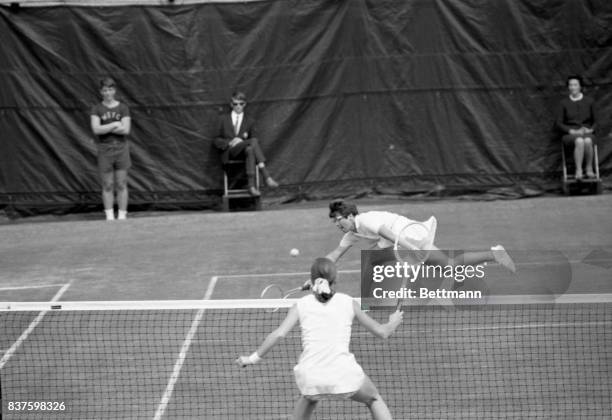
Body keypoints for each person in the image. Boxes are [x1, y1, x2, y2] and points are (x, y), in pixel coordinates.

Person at [236, 257, 403, 420]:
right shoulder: (348, 302)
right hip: (344, 375)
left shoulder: (301, 305)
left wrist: (251, 359)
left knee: (310, 397)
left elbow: (279, 334)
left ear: (312, 279)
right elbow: (383, 332)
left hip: (311, 377)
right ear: (335, 279)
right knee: (373, 399)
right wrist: (393, 322)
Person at [325, 200, 516, 285]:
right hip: (407, 239)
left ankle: (375, 299)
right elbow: (335, 254)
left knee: (375, 259)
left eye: (339, 219)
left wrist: (411, 248)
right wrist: (319, 273)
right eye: (333, 221)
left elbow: (387, 233)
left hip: (409, 235)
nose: (336, 224)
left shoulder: (366, 220)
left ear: (350, 215)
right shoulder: (352, 233)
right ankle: (494, 254)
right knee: (450, 265)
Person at [214, 91, 278, 197]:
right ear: (231, 104)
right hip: (229, 152)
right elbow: (215, 140)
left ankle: (251, 186)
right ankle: (266, 176)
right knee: (253, 142)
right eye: (235, 104)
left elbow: (254, 140)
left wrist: (241, 142)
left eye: (241, 104)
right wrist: (230, 142)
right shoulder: (223, 119)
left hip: (244, 152)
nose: (238, 106)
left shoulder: (250, 121)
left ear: (245, 104)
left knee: (251, 148)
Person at [90, 77, 131, 221]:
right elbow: (96, 130)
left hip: (121, 148)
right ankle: (109, 216)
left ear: (114, 90)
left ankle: (122, 215)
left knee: (121, 184)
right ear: (101, 92)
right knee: (107, 184)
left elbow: (125, 130)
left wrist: (105, 127)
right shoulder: (96, 108)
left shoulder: (123, 107)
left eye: (110, 89)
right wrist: (114, 124)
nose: (108, 93)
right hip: (104, 149)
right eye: (105, 90)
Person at [555, 75, 597, 180]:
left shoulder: (590, 101)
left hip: (586, 132)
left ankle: (589, 169)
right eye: (570, 85)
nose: (573, 87)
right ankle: (578, 170)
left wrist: (590, 129)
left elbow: (596, 121)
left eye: (575, 85)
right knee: (579, 141)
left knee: (587, 140)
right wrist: (571, 131)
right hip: (570, 135)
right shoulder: (563, 103)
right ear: (568, 87)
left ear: (580, 87)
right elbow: (559, 123)